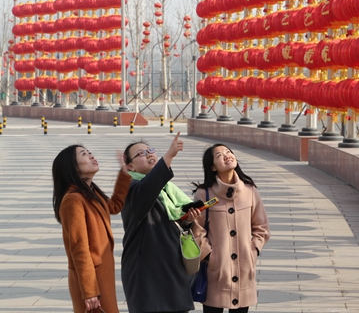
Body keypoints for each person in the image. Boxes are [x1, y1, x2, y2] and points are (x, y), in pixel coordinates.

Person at [120, 132, 202, 313]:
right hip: (147, 271)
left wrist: (187, 220)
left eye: (150, 150)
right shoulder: (130, 187)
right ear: (130, 166)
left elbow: (173, 223)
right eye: (141, 153)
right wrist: (169, 156)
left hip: (172, 267)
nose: (149, 154)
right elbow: (145, 193)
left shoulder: (167, 190)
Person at [192, 143, 271, 313]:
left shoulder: (250, 191)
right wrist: (209, 255)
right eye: (219, 155)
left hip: (244, 269)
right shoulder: (203, 194)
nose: (227, 155)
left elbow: (262, 227)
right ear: (212, 167)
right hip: (217, 272)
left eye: (228, 152)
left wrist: (253, 250)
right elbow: (197, 230)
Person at [52, 145, 132, 313]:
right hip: (91, 278)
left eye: (89, 152)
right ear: (73, 167)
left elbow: (114, 206)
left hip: (102, 274)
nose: (91, 156)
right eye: (84, 154)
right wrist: (89, 291)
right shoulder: (73, 200)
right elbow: (78, 248)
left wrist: (124, 174)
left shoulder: (91, 192)